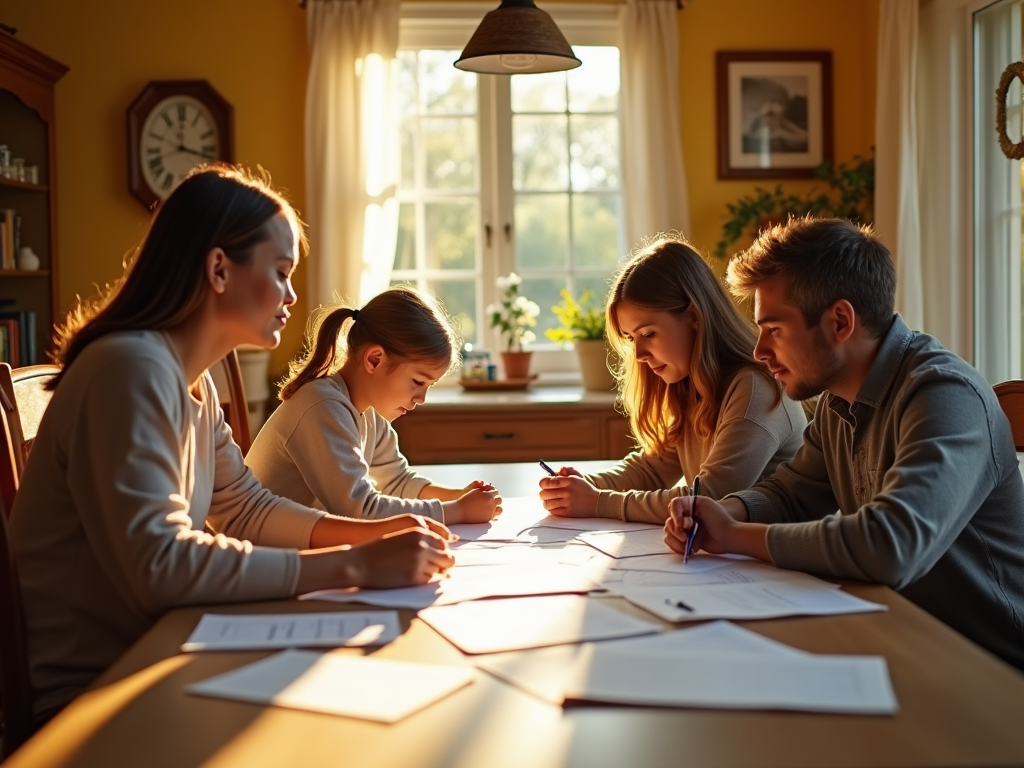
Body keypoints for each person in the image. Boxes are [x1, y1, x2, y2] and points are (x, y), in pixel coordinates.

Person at [9, 165, 456, 726]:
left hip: (164, 649)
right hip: (99, 691)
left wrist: (378, 534)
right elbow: (158, 565)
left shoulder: (188, 378)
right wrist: (356, 563)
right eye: (281, 271)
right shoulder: (128, 370)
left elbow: (245, 507)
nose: (293, 296)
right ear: (219, 268)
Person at [665, 216, 1024, 671]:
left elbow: (890, 545)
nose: (758, 350)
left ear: (839, 321)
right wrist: (725, 512)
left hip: (993, 668)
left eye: (774, 328)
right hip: (905, 638)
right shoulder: (839, 400)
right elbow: (791, 493)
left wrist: (734, 536)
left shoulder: (945, 395)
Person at [539, 236, 807, 523]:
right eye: (631, 338)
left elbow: (709, 497)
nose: (639, 353)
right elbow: (652, 470)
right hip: (730, 557)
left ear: (693, 316)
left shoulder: (755, 387)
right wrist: (588, 485)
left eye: (648, 334)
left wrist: (597, 501)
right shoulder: (689, 384)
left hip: (770, 563)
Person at [245, 288, 502, 525]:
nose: (421, 398)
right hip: (262, 556)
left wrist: (459, 497)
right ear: (375, 359)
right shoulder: (322, 406)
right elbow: (359, 510)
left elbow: (397, 481)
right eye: (418, 381)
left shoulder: (369, 411)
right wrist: (457, 511)